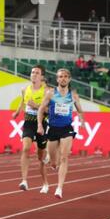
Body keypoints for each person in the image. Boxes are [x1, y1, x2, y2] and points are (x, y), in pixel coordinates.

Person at [37, 68, 84, 199]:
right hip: (52, 128)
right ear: (57, 79)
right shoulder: (50, 93)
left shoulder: (73, 95)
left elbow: (80, 110)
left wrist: (81, 119)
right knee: (54, 162)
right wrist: (40, 125)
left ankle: (59, 188)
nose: (63, 78)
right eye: (60, 76)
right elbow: (41, 109)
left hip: (66, 128)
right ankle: (52, 162)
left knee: (64, 157)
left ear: (69, 79)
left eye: (65, 76)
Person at [12, 65, 49, 193]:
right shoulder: (25, 89)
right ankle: (24, 181)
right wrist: (17, 112)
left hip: (41, 124)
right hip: (28, 122)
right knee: (26, 148)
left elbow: (48, 110)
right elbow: (23, 101)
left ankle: (45, 183)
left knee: (41, 157)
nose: (33, 74)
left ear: (42, 76)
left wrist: (36, 106)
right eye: (32, 72)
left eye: (37, 73)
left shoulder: (46, 91)